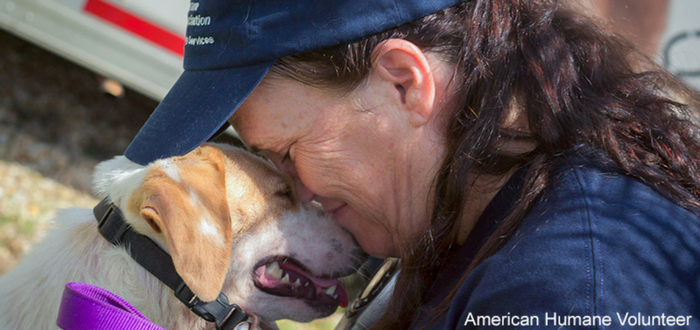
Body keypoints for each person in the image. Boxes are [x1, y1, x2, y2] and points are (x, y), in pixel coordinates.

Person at [124, 0, 700, 329]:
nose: (298, 192)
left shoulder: (571, 297)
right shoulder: (466, 206)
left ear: (403, 83)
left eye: (285, 154)